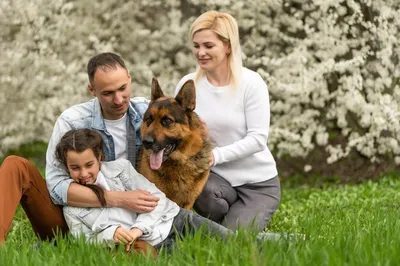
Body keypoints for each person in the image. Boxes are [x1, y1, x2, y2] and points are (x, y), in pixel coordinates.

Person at [0, 52, 159, 246]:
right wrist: (117, 198)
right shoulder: (72, 121)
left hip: (129, 222)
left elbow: (186, 134)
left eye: (123, 89)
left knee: (142, 251)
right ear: (92, 89)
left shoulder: (149, 112)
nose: (118, 100)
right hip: (70, 220)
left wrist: (206, 154)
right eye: (108, 93)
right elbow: (57, 187)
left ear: (129, 78)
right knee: (15, 165)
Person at [175, 11, 281, 231]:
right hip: (214, 181)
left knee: (234, 242)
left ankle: (240, 221)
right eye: (196, 46)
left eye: (208, 46)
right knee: (201, 191)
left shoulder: (251, 83)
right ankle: (223, 220)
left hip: (257, 185)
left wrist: (215, 156)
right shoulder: (188, 84)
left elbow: (257, 139)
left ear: (228, 46)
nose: (200, 53)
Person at [57, 128, 232, 254]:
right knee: (200, 256)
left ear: (99, 158)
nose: (84, 174)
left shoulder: (121, 169)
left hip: (175, 219)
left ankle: (258, 240)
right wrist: (111, 234)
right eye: (75, 168)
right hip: (152, 242)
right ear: (66, 167)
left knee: (230, 240)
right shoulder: (72, 207)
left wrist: (137, 229)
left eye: (89, 165)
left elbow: (157, 198)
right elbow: (85, 241)